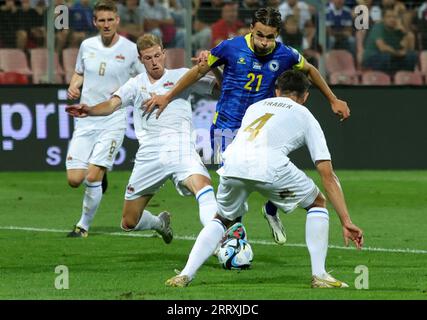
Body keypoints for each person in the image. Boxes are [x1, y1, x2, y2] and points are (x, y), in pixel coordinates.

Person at [144, 7, 351, 247]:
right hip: (225, 128)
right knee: (232, 183)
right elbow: (198, 71)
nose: (264, 42)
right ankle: (236, 244)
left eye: (270, 37)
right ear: (251, 28)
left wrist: (333, 99)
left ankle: (271, 209)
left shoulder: (286, 54)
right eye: (260, 35)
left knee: (273, 174)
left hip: (262, 130)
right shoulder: (230, 47)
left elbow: (311, 70)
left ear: (277, 35)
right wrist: (167, 97)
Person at [165, 70, 364, 288]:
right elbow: (327, 174)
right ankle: (320, 275)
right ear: (305, 96)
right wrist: (346, 220)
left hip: (232, 162)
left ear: (277, 91)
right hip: (268, 166)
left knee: (221, 218)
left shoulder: (256, 106)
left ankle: (185, 274)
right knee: (317, 202)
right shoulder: (305, 115)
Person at [66, 33, 220, 242]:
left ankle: (223, 243)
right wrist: (90, 110)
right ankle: (159, 223)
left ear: (164, 53)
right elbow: (111, 105)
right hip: (149, 154)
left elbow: (220, 91)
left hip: (179, 148)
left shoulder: (182, 76)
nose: (154, 62)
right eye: (148, 58)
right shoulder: (135, 85)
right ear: (140, 60)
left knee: (203, 188)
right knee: (129, 222)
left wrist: (215, 67)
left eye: (157, 55)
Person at [66, 0, 145, 238]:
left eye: (110, 19)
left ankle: (83, 226)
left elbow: (143, 80)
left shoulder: (131, 49)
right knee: (74, 179)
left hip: (113, 118)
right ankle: (101, 173)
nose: (106, 24)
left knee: (91, 177)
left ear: (117, 20)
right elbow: (79, 72)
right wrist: (73, 86)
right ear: (95, 22)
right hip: (86, 119)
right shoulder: (86, 46)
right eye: (102, 20)